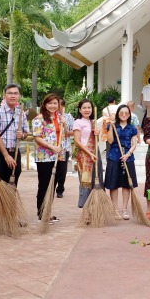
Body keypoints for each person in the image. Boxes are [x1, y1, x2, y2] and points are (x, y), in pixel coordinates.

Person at [0, 84, 29, 220]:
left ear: (19, 96)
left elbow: (26, 133)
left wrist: (22, 135)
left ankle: (10, 218)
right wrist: (5, 155)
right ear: (4, 95)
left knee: (13, 185)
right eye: (10, 93)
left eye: (15, 93)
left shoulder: (21, 112)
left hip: (15, 153)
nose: (13, 96)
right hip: (0, 154)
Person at [31, 93, 66, 223]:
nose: (52, 106)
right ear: (45, 104)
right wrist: (51, 147)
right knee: (44, 185)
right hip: (45, 156)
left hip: (59, 155)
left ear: (58, 105)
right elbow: (37, 137)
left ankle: (48, 212)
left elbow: (65, 134)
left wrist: (64, 123)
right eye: (50, 103)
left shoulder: (60, 117)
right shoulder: (39, 119)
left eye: (55, 103)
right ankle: (41, 214)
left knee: (53, 185)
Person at [104, 104, 139, 219]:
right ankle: (115, 209)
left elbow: (134, 144)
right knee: (113, 184)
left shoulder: (132, 128)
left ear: (129, 115)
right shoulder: (113, 126)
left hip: (127, 157)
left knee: (126, 184)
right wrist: (110, 127)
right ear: (118, 114)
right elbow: (110, 140)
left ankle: (124, 209)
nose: (124, 115)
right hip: (114, 156)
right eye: (121, 113)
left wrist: (127, 154)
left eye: (126, 113)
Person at [72, 99, 101, 208]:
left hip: (95, 153)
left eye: (89, 107)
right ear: (80, 109)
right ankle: (84, 206)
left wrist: (97, 133)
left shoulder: (93, 122)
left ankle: (95, 207)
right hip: (85, 155)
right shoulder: (78, 122)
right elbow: (77, 141)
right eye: (84, 108)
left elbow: (99, 139)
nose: (87, 110)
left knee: (97, 180)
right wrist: (89, 153)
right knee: (86, 182)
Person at [55, 98, 73, 198]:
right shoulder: (50, 116)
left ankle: (60, 189)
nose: (56, 107)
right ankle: (50, 187)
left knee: (62, 170)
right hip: (52, 147)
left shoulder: (68, 117)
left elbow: (71, 132)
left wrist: (64, 124)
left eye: (58, 105)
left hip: (64, 147)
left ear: (62, 106)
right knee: (52, 168)